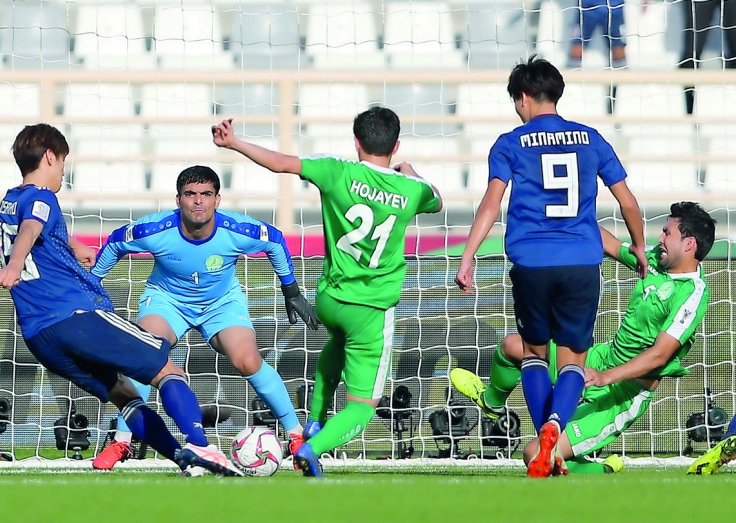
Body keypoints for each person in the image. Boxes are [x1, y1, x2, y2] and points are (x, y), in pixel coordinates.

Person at [0, 123, 240, 477]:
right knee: (168, 370)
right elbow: (32, 229)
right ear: (49, 156)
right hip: (75, 317)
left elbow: (33, 229)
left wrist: (73, 246)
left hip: (38, 335)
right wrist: (16, 262)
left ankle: (182, 458)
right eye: (62, 161)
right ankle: (203, 446)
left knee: (125, 395)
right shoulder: (42, 197)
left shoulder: (9, 199)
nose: (63, 170)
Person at [213, 107, 443, 478]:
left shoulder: (337, 171)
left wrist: (234, 142)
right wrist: (410, 170)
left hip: (331, 299)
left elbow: (282, 163)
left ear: (357, 142)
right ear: (395, 144)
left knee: (335, 347)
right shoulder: (410, 189)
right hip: (371, 308)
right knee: (365, 405)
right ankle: (312, 448)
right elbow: (437, 198)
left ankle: (314, 422)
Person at [455, 56, 647, 478]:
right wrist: (638, 247)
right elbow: (627, 201)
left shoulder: (509, 143)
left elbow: (492, 202)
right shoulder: (591, 139)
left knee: (534, 354)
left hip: (531, 262)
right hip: (581, 260)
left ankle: (547, 435)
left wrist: (468, 256)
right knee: (574, 359)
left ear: (523, 97)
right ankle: (555, 432)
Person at [453, 203, 713, 475]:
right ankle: (492, 403)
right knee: (512, 346)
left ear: (688, 244)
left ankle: (602, 470)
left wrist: (605, 377)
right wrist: (570, 215)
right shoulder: (653, 261)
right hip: (601, 359)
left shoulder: (693, 293)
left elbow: (659, 355)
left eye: (666, 233)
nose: (659, 238)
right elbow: (609, 244)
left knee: (533, 454)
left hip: (622, 393)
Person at [89, 165, 319, 471]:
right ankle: (122, 441)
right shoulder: (153, 230)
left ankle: (294, 435)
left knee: (247, 360)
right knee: (144, 354)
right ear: (178, 199)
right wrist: (90, 287)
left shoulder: (238, 230)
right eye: (191, 194)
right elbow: (116, 243)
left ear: (218, 200)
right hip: (167, 300)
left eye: (206, 194)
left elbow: (275, 240)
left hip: (221, 303)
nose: (199, 201)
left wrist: (290, 290)